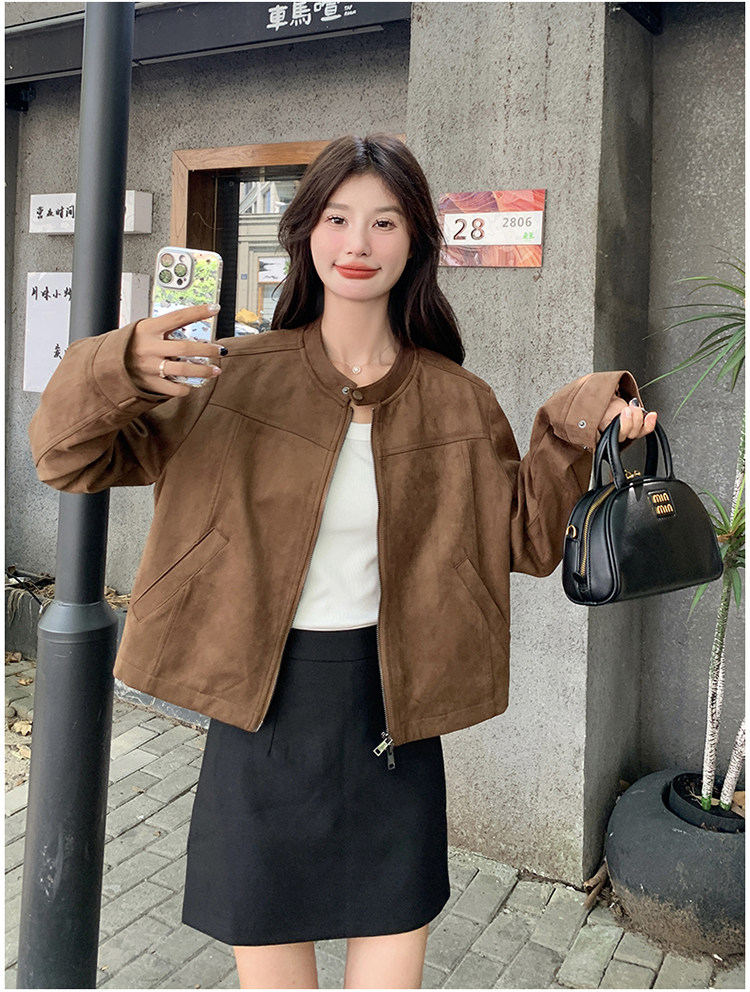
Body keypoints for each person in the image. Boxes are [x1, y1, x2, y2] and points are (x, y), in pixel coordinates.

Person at [29, 134, 657, 990]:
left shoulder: (457, 400)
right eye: (336, 218)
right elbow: (66, 458)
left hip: (391, 712)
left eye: (385, 222)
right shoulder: (227, 375)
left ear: (416, 240)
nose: (358, 243)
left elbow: (526, 541)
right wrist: (119, 365)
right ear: (304, 232)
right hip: (259, 709)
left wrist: (575, 424)